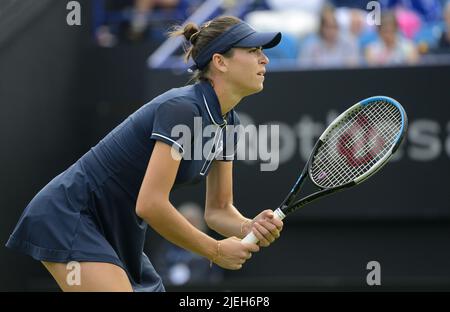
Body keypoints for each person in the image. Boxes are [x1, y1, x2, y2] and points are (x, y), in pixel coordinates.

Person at [5, 15, 284, 292]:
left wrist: (248, 227)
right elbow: (150, 204)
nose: (264, 59)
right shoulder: (183, 109)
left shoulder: (229, 124)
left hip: (119, 230)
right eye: (253, 51)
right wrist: (214, 250)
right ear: (220, 62)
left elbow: (219, 210)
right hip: (70, 215)